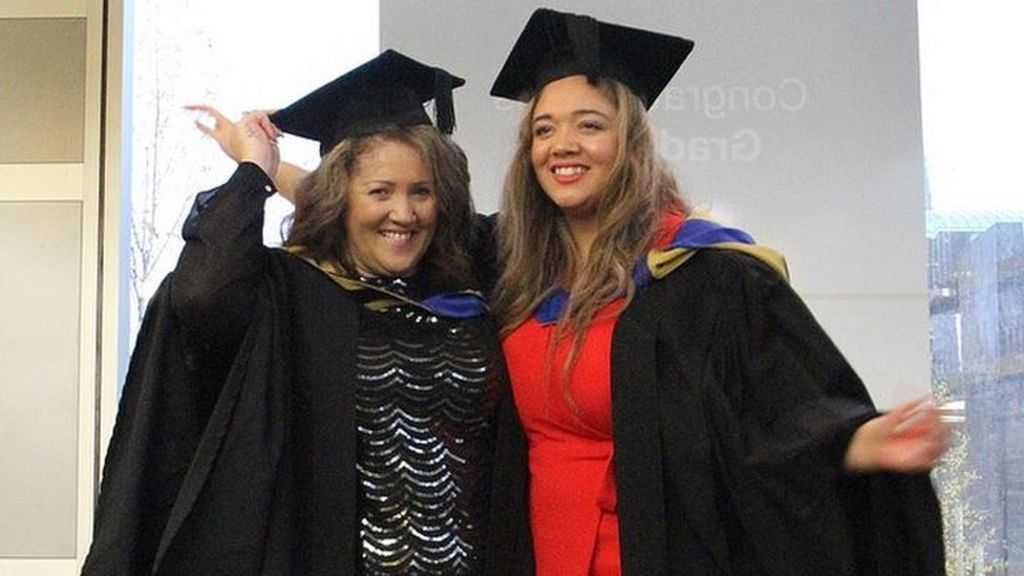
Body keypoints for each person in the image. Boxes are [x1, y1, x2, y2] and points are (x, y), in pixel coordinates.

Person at [488, 8, 947, 576]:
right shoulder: (512, 269)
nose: (562, 145)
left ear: (630, 142)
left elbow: (777, 417)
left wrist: (858, 443)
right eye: (545, 128)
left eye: (590, 124)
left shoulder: (705, 275)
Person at [80, 49, 529, 576]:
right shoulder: (296, 294)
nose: (404, 213)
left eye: (421, 192)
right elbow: (202, 294)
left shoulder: (472, 278)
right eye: (379, 191)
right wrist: (256, 170)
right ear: (340, 198)